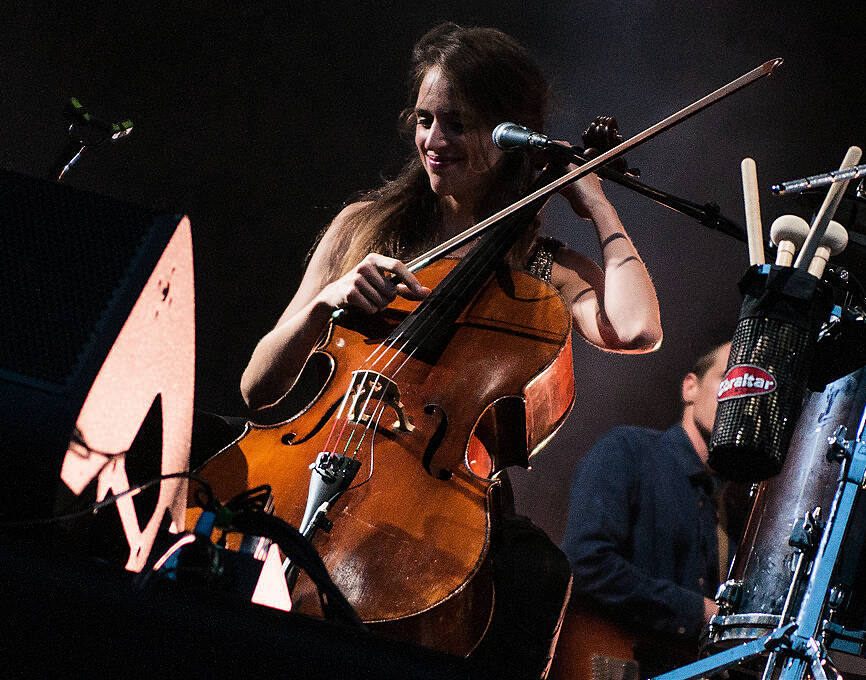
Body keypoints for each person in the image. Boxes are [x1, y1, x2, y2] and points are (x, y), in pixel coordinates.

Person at [236, 21, 662, 678]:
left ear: (508, 135)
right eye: (426, 119)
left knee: (535, 574)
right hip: (315, 453)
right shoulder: (365, 227)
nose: (434, 141)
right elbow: (257, 388)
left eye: (457, 125)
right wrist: (326, 303)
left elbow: (636, 330)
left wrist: (597, 205)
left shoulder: (541, 269)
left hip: (437, 504)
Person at [559, 340, 738, 671]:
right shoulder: (628, 450)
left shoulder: (734, 508)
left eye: (750, 386)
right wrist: (697, 611)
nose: (739, 394)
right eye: (730, 376)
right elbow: (585, 564)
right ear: (690, 387)